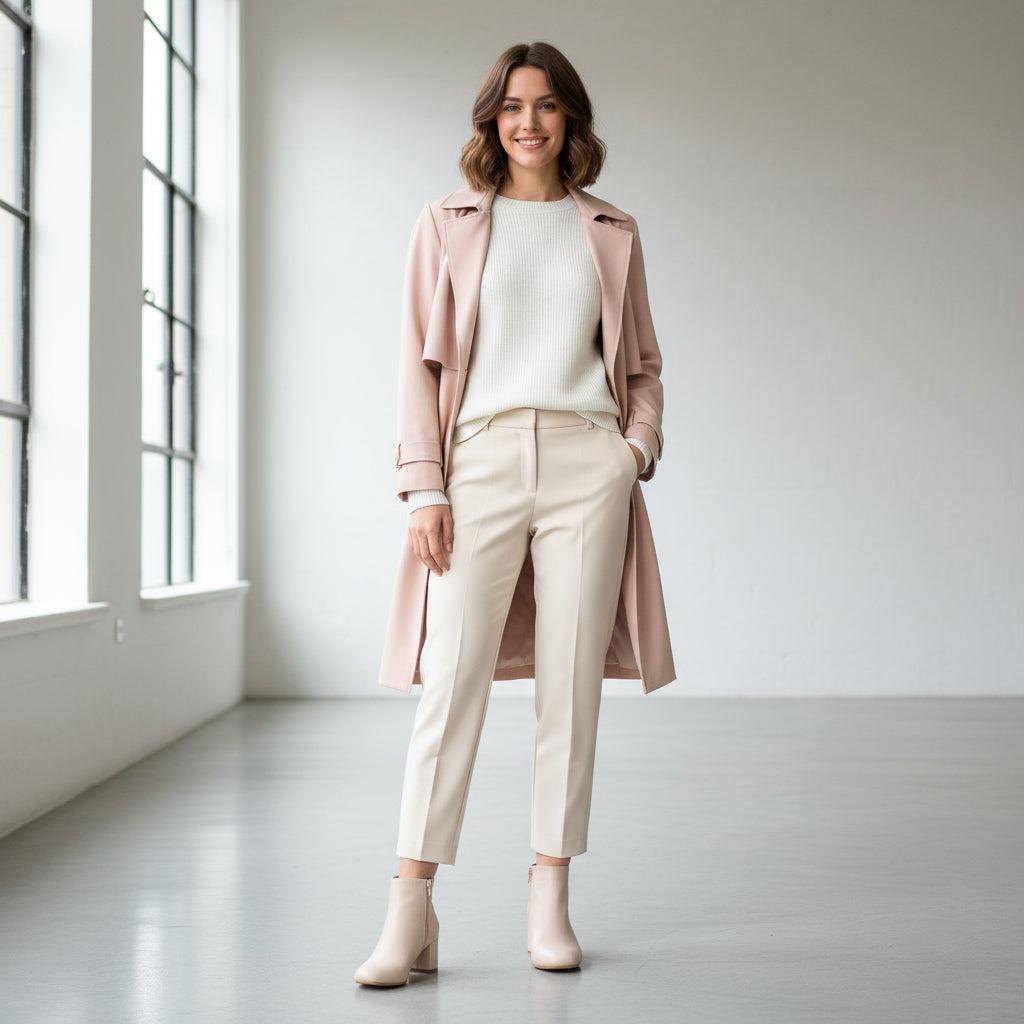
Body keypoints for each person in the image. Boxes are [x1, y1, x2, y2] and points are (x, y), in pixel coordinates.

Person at [355, 41, 675, 987]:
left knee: (569, 690)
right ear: (490, 121)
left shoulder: (611, 229)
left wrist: (633, 455)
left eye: (544, 106)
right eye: (509, 107)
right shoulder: (446, 223)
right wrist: (424, 486)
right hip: (481, 458)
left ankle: (551, 893)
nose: (526, 122)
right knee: (450, 685)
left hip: (589, 461)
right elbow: (417, 362)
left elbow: (646, 367)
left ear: (571, 118)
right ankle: (409, 911)